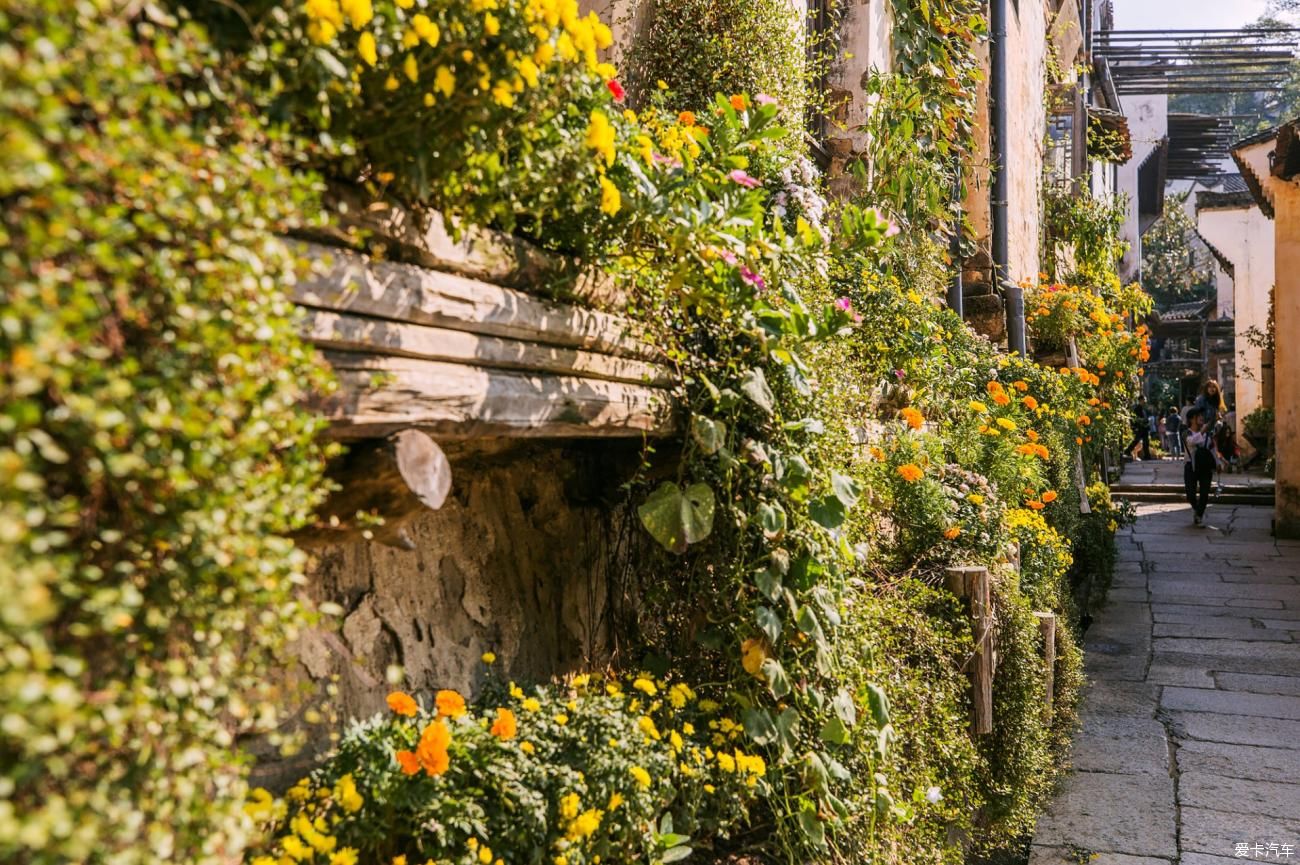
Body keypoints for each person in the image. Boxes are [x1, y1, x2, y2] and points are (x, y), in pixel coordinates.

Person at [1182, 410, 1216, 526]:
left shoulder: (1208, 434)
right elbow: (1190, 442)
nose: (1202, 418)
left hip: (1205, 467)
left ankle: (1199, 515)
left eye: (1202, 415)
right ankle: (1197, 510)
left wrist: (1218, 463)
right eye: (1199, 416)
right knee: (1190, 494)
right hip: (1191, 466)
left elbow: (1212, 450)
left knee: (1204, 493)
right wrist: (1202, 431)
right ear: (1192, 419)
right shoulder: (1187, 433)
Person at [1127, 395, 1152, 460]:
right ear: (1140, 400)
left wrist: (1147, 421)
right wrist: (1144, 421)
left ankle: (1147, 456)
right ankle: (1127, 451)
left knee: (1145, 442)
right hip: (1141, 427)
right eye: (1144, 400)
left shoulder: (1143, 408)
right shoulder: (1137, 408)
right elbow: (1136, 418)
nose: (1145, 401)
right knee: (1137, 440)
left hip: (1144, 428)